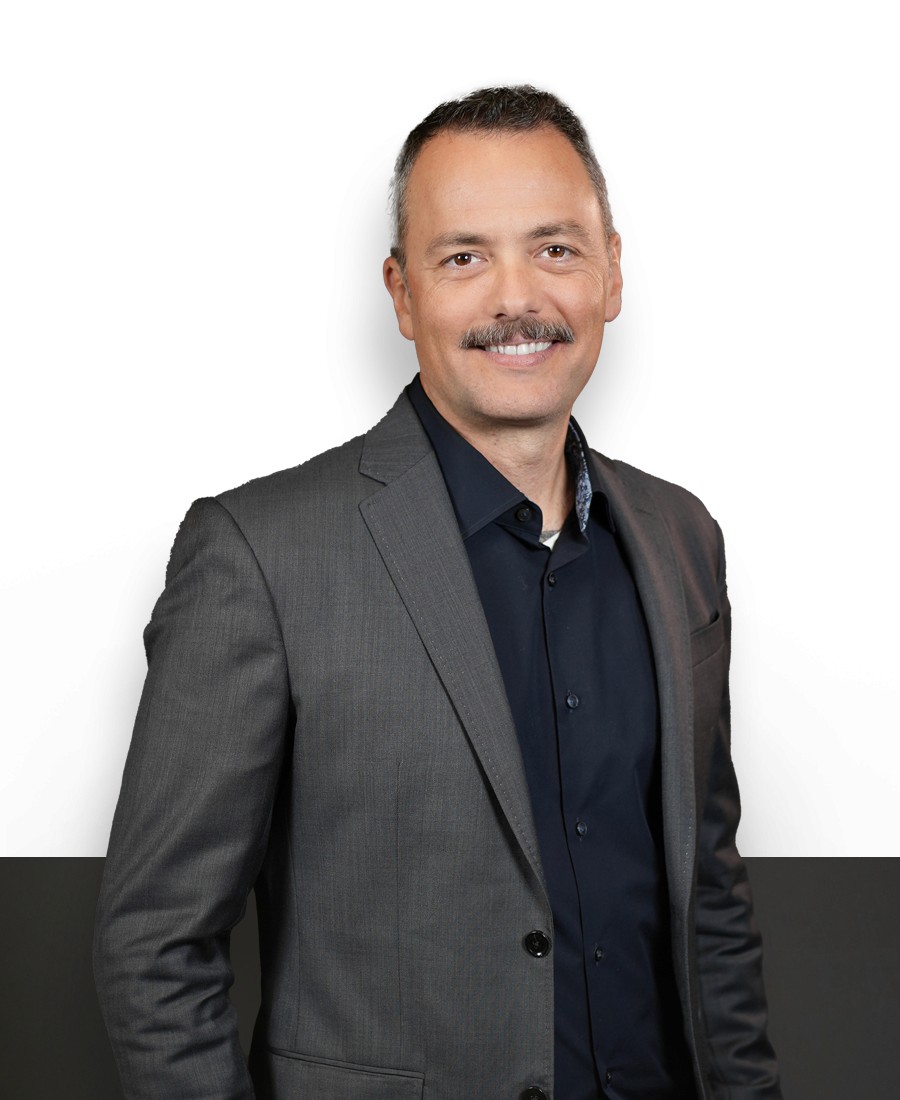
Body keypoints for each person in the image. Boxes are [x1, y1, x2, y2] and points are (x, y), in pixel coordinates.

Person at [94, 85, 782, 1100]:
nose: (517, 297)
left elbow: (707, 895)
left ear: (612, 273)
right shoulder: (259, 553)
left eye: (554, 248)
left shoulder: (682, 538)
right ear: (403, 291)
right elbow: (154, 944)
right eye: (464, 256)